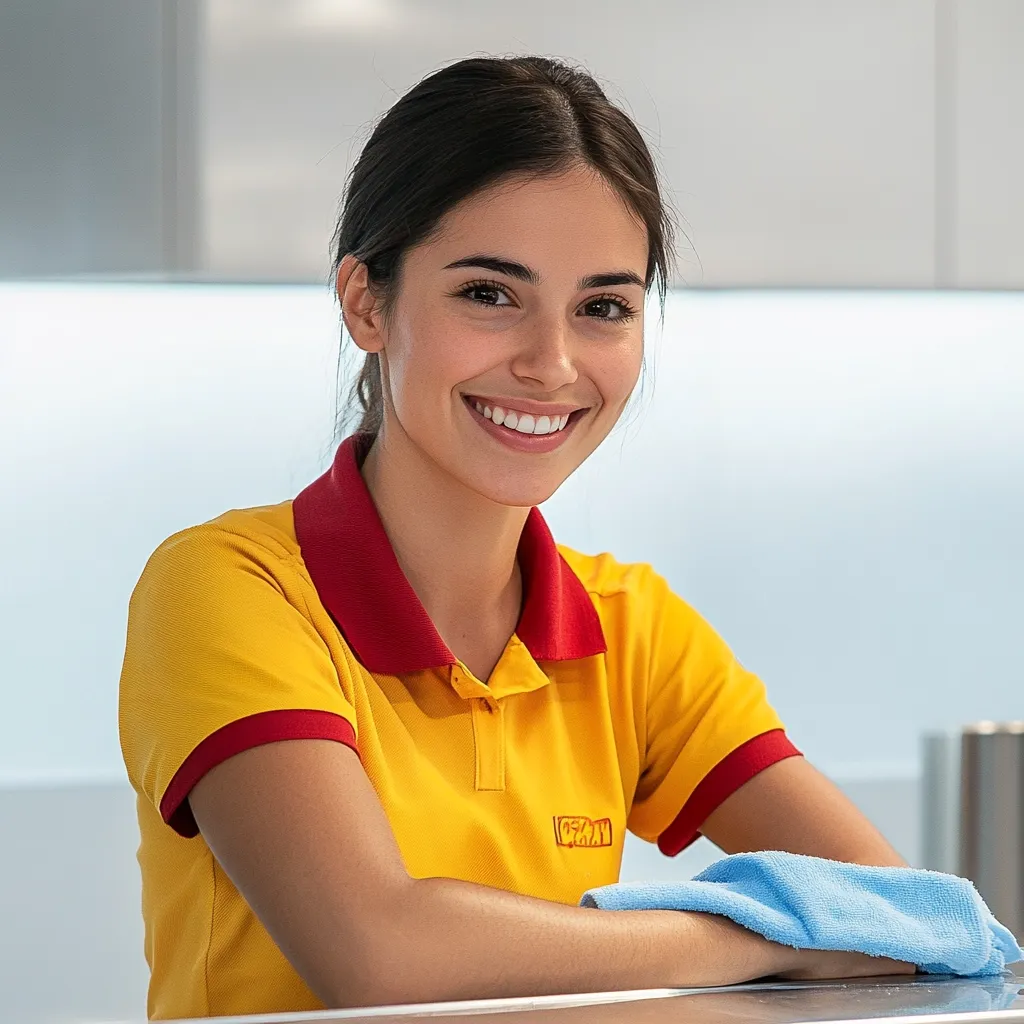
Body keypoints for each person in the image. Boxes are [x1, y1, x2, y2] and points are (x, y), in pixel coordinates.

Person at [118, 55, 912, 1021]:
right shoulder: (229, 589)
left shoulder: (633, 627)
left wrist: (800, 935)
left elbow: (893, 921)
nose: (552, 363)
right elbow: (377, 954)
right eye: (490, 294)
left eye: (604, 307)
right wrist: (758, 937)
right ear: (367, 302)